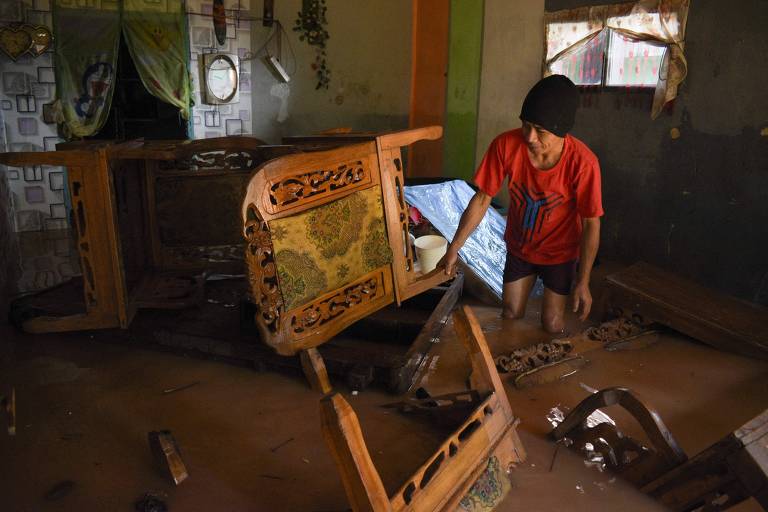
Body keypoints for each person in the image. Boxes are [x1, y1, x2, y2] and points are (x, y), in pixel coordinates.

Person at [439, 74, 603, 335]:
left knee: (552, 324)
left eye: (541, 131)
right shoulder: (505, 145)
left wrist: (583, 281)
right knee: (511, 314)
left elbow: (591, 222)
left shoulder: (584, 163)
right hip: (520, 247)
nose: (530, 137)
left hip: (560, 254)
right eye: (526, 125)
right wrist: (454, 247)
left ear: (562, 132)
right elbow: (482, 199)